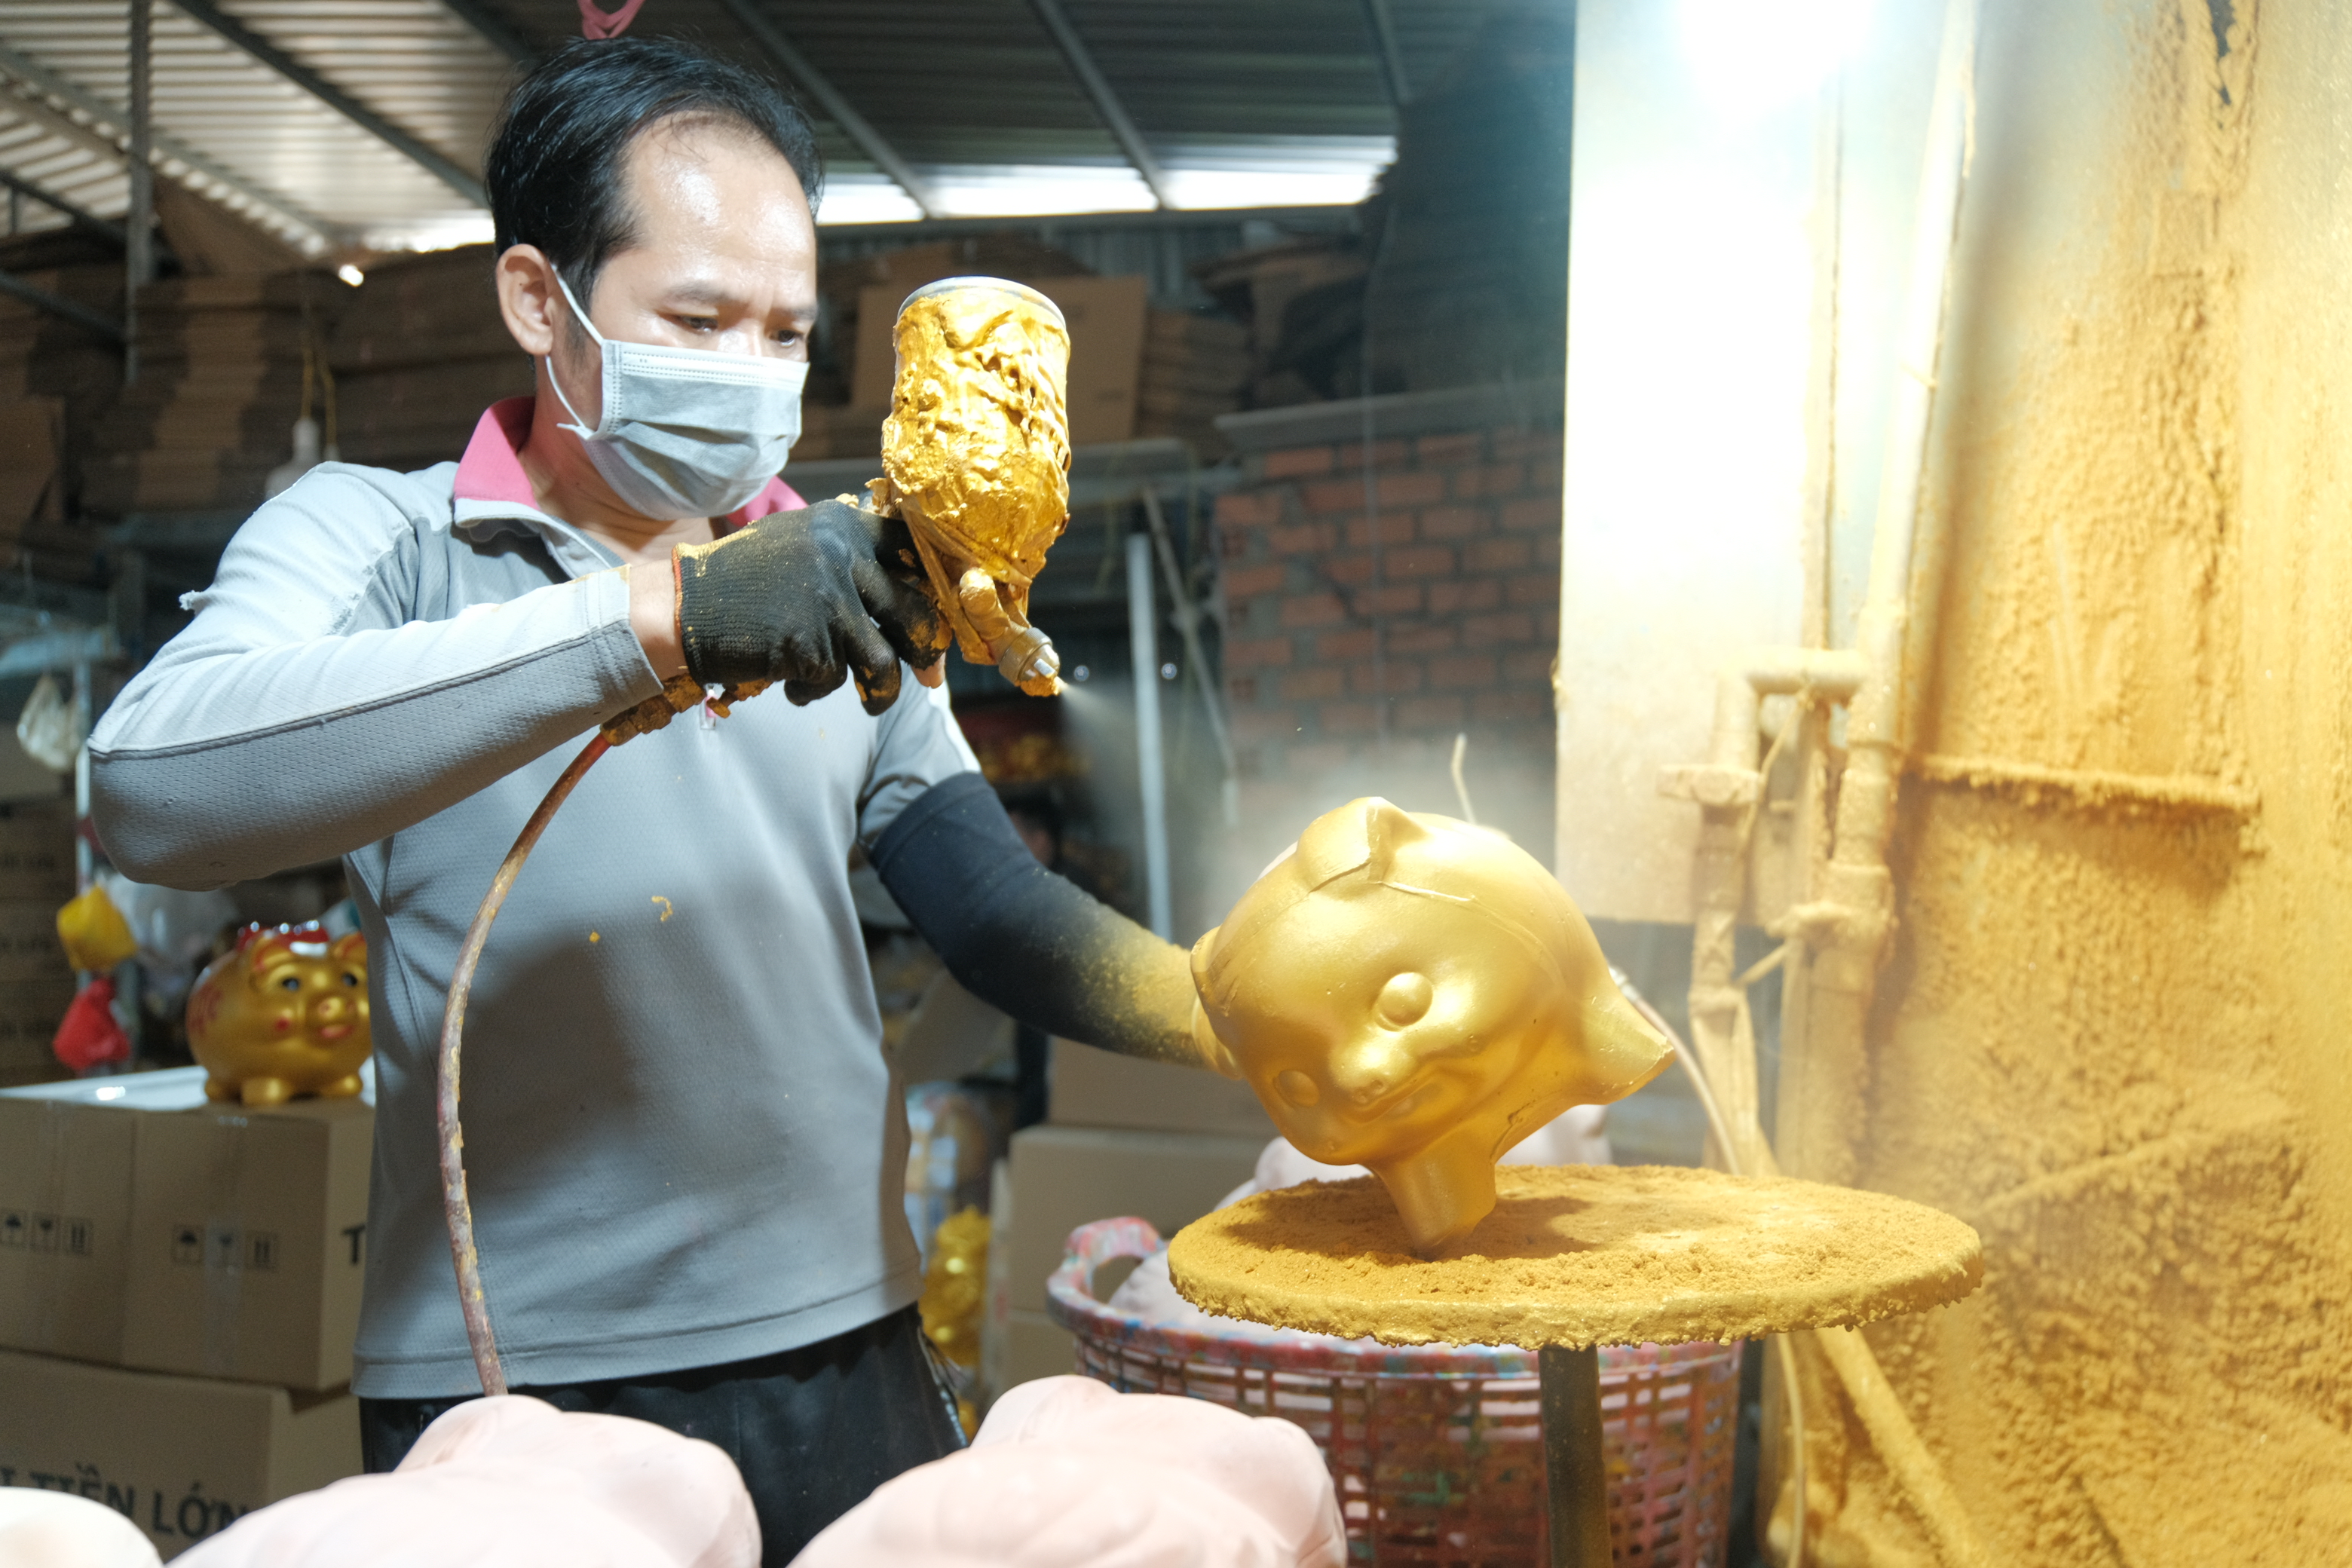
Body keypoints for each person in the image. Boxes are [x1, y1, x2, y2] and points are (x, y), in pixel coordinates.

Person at [88, 38, 1207, 1563]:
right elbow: (150, 787)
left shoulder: (840, 584)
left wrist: (1218, 1006)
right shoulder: (393, 541)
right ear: (540, 299)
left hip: (845, 1345)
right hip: (515, 1388)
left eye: (785, 333)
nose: (747, 369)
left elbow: (986, 904)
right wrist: (652, 619)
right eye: (697, 318)